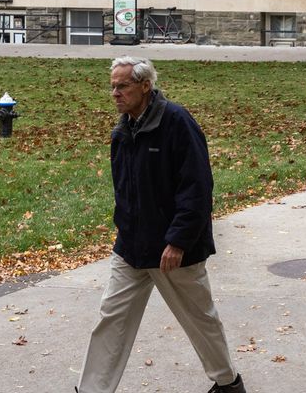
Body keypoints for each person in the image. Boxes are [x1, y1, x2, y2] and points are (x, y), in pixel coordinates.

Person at [76, 56, 246, 393]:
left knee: (200, 319)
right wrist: (124, 230)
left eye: (122, 86)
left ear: (145, 85)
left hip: (174, 251)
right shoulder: (123, 129)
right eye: (112, 86)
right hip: (131, 249)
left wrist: (179, 241)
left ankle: (228, 384)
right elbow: (125, 190)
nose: (115, 93)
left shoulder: (177, 122)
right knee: (111, 319)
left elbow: (197, 187)